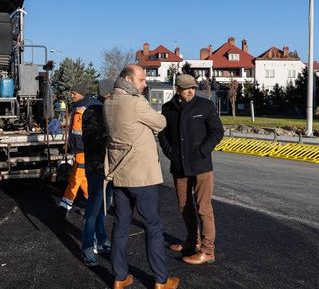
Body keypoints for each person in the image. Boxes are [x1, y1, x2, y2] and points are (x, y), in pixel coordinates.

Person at [104, 65, 180, 289]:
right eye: (141, 80)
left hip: (119, 173)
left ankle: (119, 277)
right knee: (153, 226)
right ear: (128, 79)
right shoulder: (136, 103)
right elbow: (161, 122)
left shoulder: (108, 103)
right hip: (142, 177)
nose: (145, 84)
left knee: (121, 225)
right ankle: (160, 280)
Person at [158, 74, 223, 265]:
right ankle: (191, 241)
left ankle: (207, 250)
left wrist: (203, 150)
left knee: (203, 207)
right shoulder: (168, 109)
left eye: (193, 87)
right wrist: (171, 153)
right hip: (179, 166)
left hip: (201, 166)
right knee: (184, 206)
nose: (191, 91)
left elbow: (217, 131)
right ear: (177, 89)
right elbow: (163, 134)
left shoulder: (205, 106)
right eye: (186, 88)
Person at [80, 79, 114, 266]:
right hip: (96, 168)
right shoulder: (93, 111)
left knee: (103, 207)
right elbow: (94, 140)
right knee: (93, 208)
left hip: (108, 169)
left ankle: (101, 240)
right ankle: (87, 246)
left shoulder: (107, 109)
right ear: (107, 94)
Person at [57, 83, 91, 216]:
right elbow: (75, 131)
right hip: (79, 149)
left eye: (74, 93)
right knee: (82, 179)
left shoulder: (84, 108)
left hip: (83, 149)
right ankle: (95, 203)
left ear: (81, 94)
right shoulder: (78, 107)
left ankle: (64, 206)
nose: (71, 95)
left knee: (75, 177)